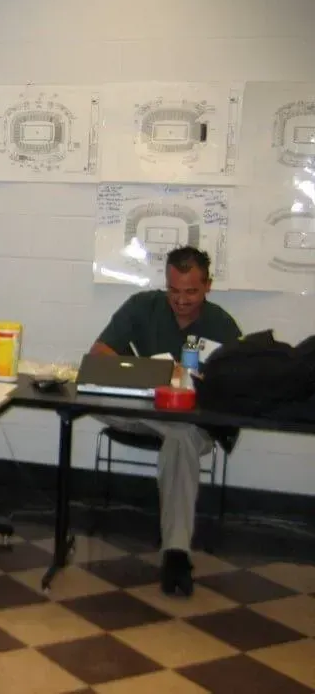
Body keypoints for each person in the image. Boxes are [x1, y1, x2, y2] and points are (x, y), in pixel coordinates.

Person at [90, 246, 241, 597]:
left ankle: (176, 553)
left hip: (193, 423)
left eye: (191, 291)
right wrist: (156, 373)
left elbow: (238, 383)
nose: (182, 300)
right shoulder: (143, 306)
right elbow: (99, 354)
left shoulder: (221, 324)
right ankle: (175, 552)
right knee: (88, 399)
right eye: (174, 290)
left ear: (208, 286)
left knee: (182, 436)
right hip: (145, 412)